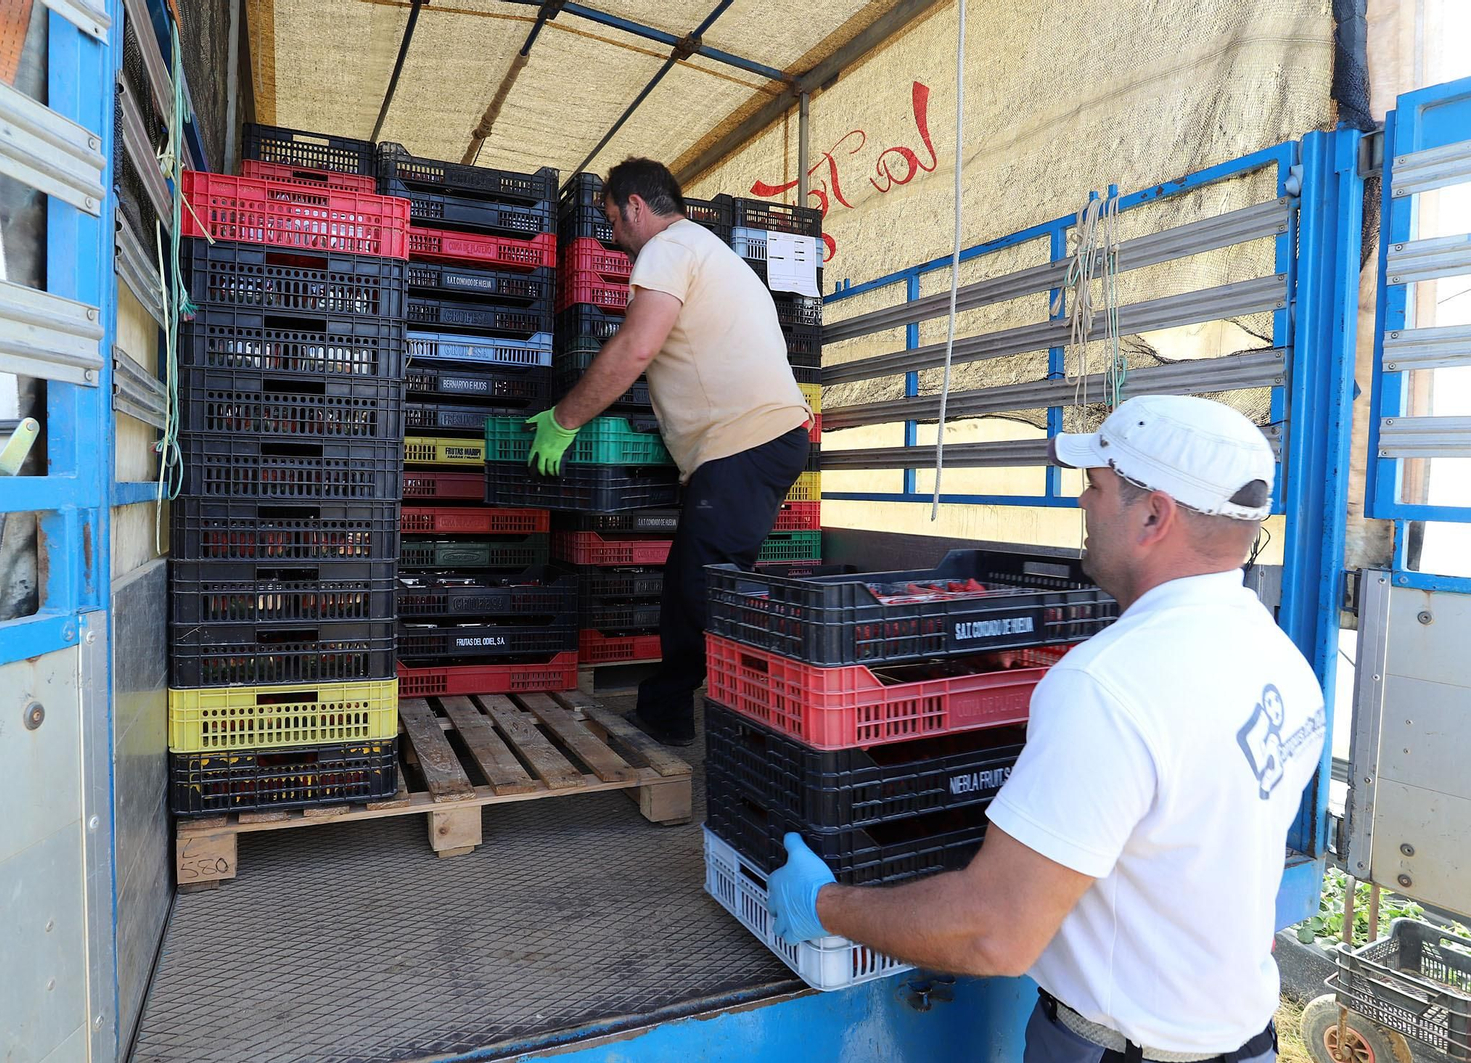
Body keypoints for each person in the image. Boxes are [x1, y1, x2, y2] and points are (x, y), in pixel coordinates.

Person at [766, 396, 1326, 1063]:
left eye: (1096, 485)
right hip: (1245, 1043)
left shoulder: (1109, 684)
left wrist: (823, 904)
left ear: (1154, 515)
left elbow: (993, 934)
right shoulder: (1282, 663)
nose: (1083, 504)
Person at [525, 157, 812, 748]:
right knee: (705, 586)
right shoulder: (708, 251)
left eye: (611, 218)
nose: (611, 235)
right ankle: (704, 709)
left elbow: (636, 348)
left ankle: (743, 717)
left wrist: (564, 419)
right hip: (757, 442)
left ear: (636, 206)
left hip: (746, 441)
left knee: (700, 592)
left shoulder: (669, 247)